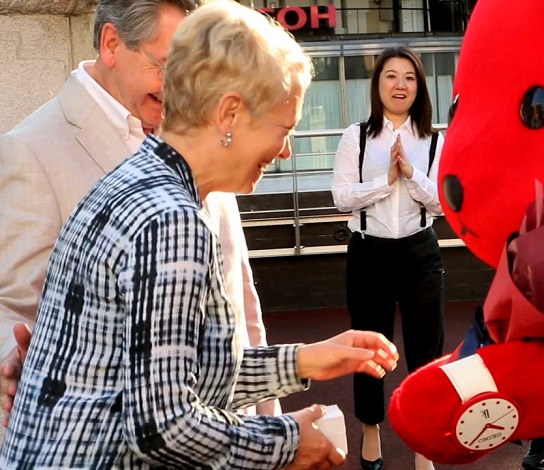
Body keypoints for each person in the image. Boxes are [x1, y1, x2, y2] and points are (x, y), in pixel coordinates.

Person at [0, 1, 401, 467]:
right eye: (283, 128)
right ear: (229, 113)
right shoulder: (171, 217)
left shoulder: (136, 181)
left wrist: (304, 361)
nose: (286, 151)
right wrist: (288, 441)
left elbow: (169, 369)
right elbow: (162, 426)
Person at [0, 0, 280, 436]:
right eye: (168, 66)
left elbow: (236, 289)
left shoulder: (206, 130)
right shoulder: (30, 151)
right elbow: (11, 306)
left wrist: (268, 417)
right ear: (112, 43)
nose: (183, 88)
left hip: (229, 436)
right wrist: (10, 361)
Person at [331, 47, 445, 470]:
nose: (400, 85)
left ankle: (420, 440)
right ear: (377, 84)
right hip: (369, 254)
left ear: (419, 86)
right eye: (391, 77)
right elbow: (341, 196)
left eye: (409, 78)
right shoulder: (354, 136)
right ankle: (371, 429)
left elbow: (442, 206)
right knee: (368, 350)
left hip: (420, 252)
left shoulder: (434, 141)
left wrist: (412, 176)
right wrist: (386, 180)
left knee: (425, 351)